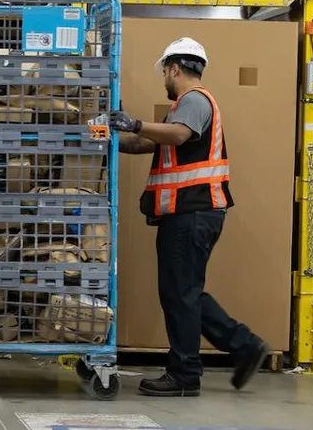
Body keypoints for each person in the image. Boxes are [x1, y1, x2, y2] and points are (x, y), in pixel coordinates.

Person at [108, 37, 269, 397]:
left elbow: (177, 136)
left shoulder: (194, 102)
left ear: (175, 68)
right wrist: (113, 132)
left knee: (180, 293)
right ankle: (244, 345)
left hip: (192, 213)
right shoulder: (184, 106)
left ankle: (185, 375)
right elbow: (145, 143)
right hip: (189, 214)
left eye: (165, 71)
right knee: (183, 292)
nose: (165, 77)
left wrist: (134, 123)